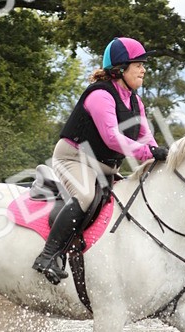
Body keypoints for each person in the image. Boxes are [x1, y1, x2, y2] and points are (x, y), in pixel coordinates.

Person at [32, 36, 168, 283]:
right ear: (120, 68)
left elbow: (146, 136)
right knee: (85, 196)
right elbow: (112, 138)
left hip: (104, 165)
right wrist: (148, 153)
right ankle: (48, 256)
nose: (143, 69)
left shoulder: (135, 101)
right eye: (138, 64)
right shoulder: (100, 95)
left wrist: (161, 156)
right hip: (73, 158)